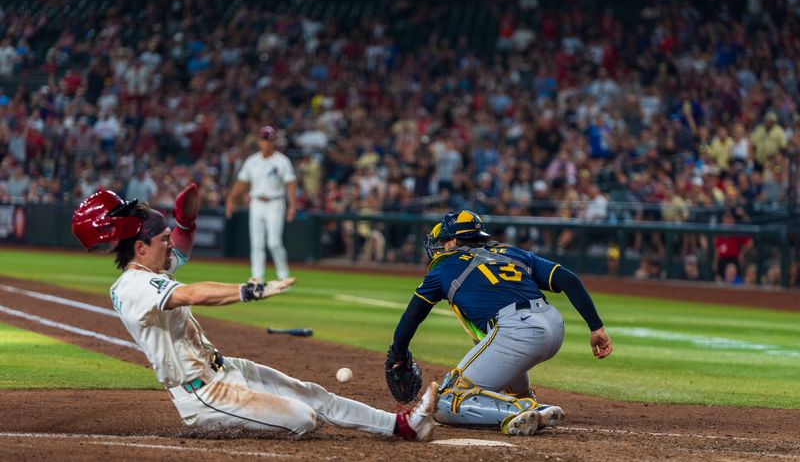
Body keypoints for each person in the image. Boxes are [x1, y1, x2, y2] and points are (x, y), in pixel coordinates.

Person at [71, 186, 438, 440]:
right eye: (162, 240)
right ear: (140, 247)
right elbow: (193, 294)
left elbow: (178, 253)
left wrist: (185, 225)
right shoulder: (132, 287)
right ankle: (219, 428)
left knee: (313, 395)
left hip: (225, 369)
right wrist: (248, 290)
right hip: (203, 395)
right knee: (303, 419)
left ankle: (403, 425)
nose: (170, 247)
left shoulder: (149, 269)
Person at [385, 210, 612, 436]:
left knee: (444, 401)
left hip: (518, 331)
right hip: (553, 325)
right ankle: (527, 402)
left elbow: (413, 315)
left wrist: (398, 355)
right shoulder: (512, 252)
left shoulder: (443, 267)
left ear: (453, 241)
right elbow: (568, 279)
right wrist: (596, 328)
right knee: (496, 348)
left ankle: (521, 409)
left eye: (444, 241)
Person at [225, 125, 297, 281]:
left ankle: (283, 275)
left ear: (274, 141)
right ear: (259, 140)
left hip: (275, 202)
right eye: (264, 139)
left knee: (274, 243)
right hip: (257, 202)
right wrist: (231, 199)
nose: (266, 142)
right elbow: (242, 183)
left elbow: (290, 184)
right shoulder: (252, 161)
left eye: (269, 139)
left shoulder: (282, 161)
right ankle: (257, 277)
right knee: (257, 244)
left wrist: (292, 205)